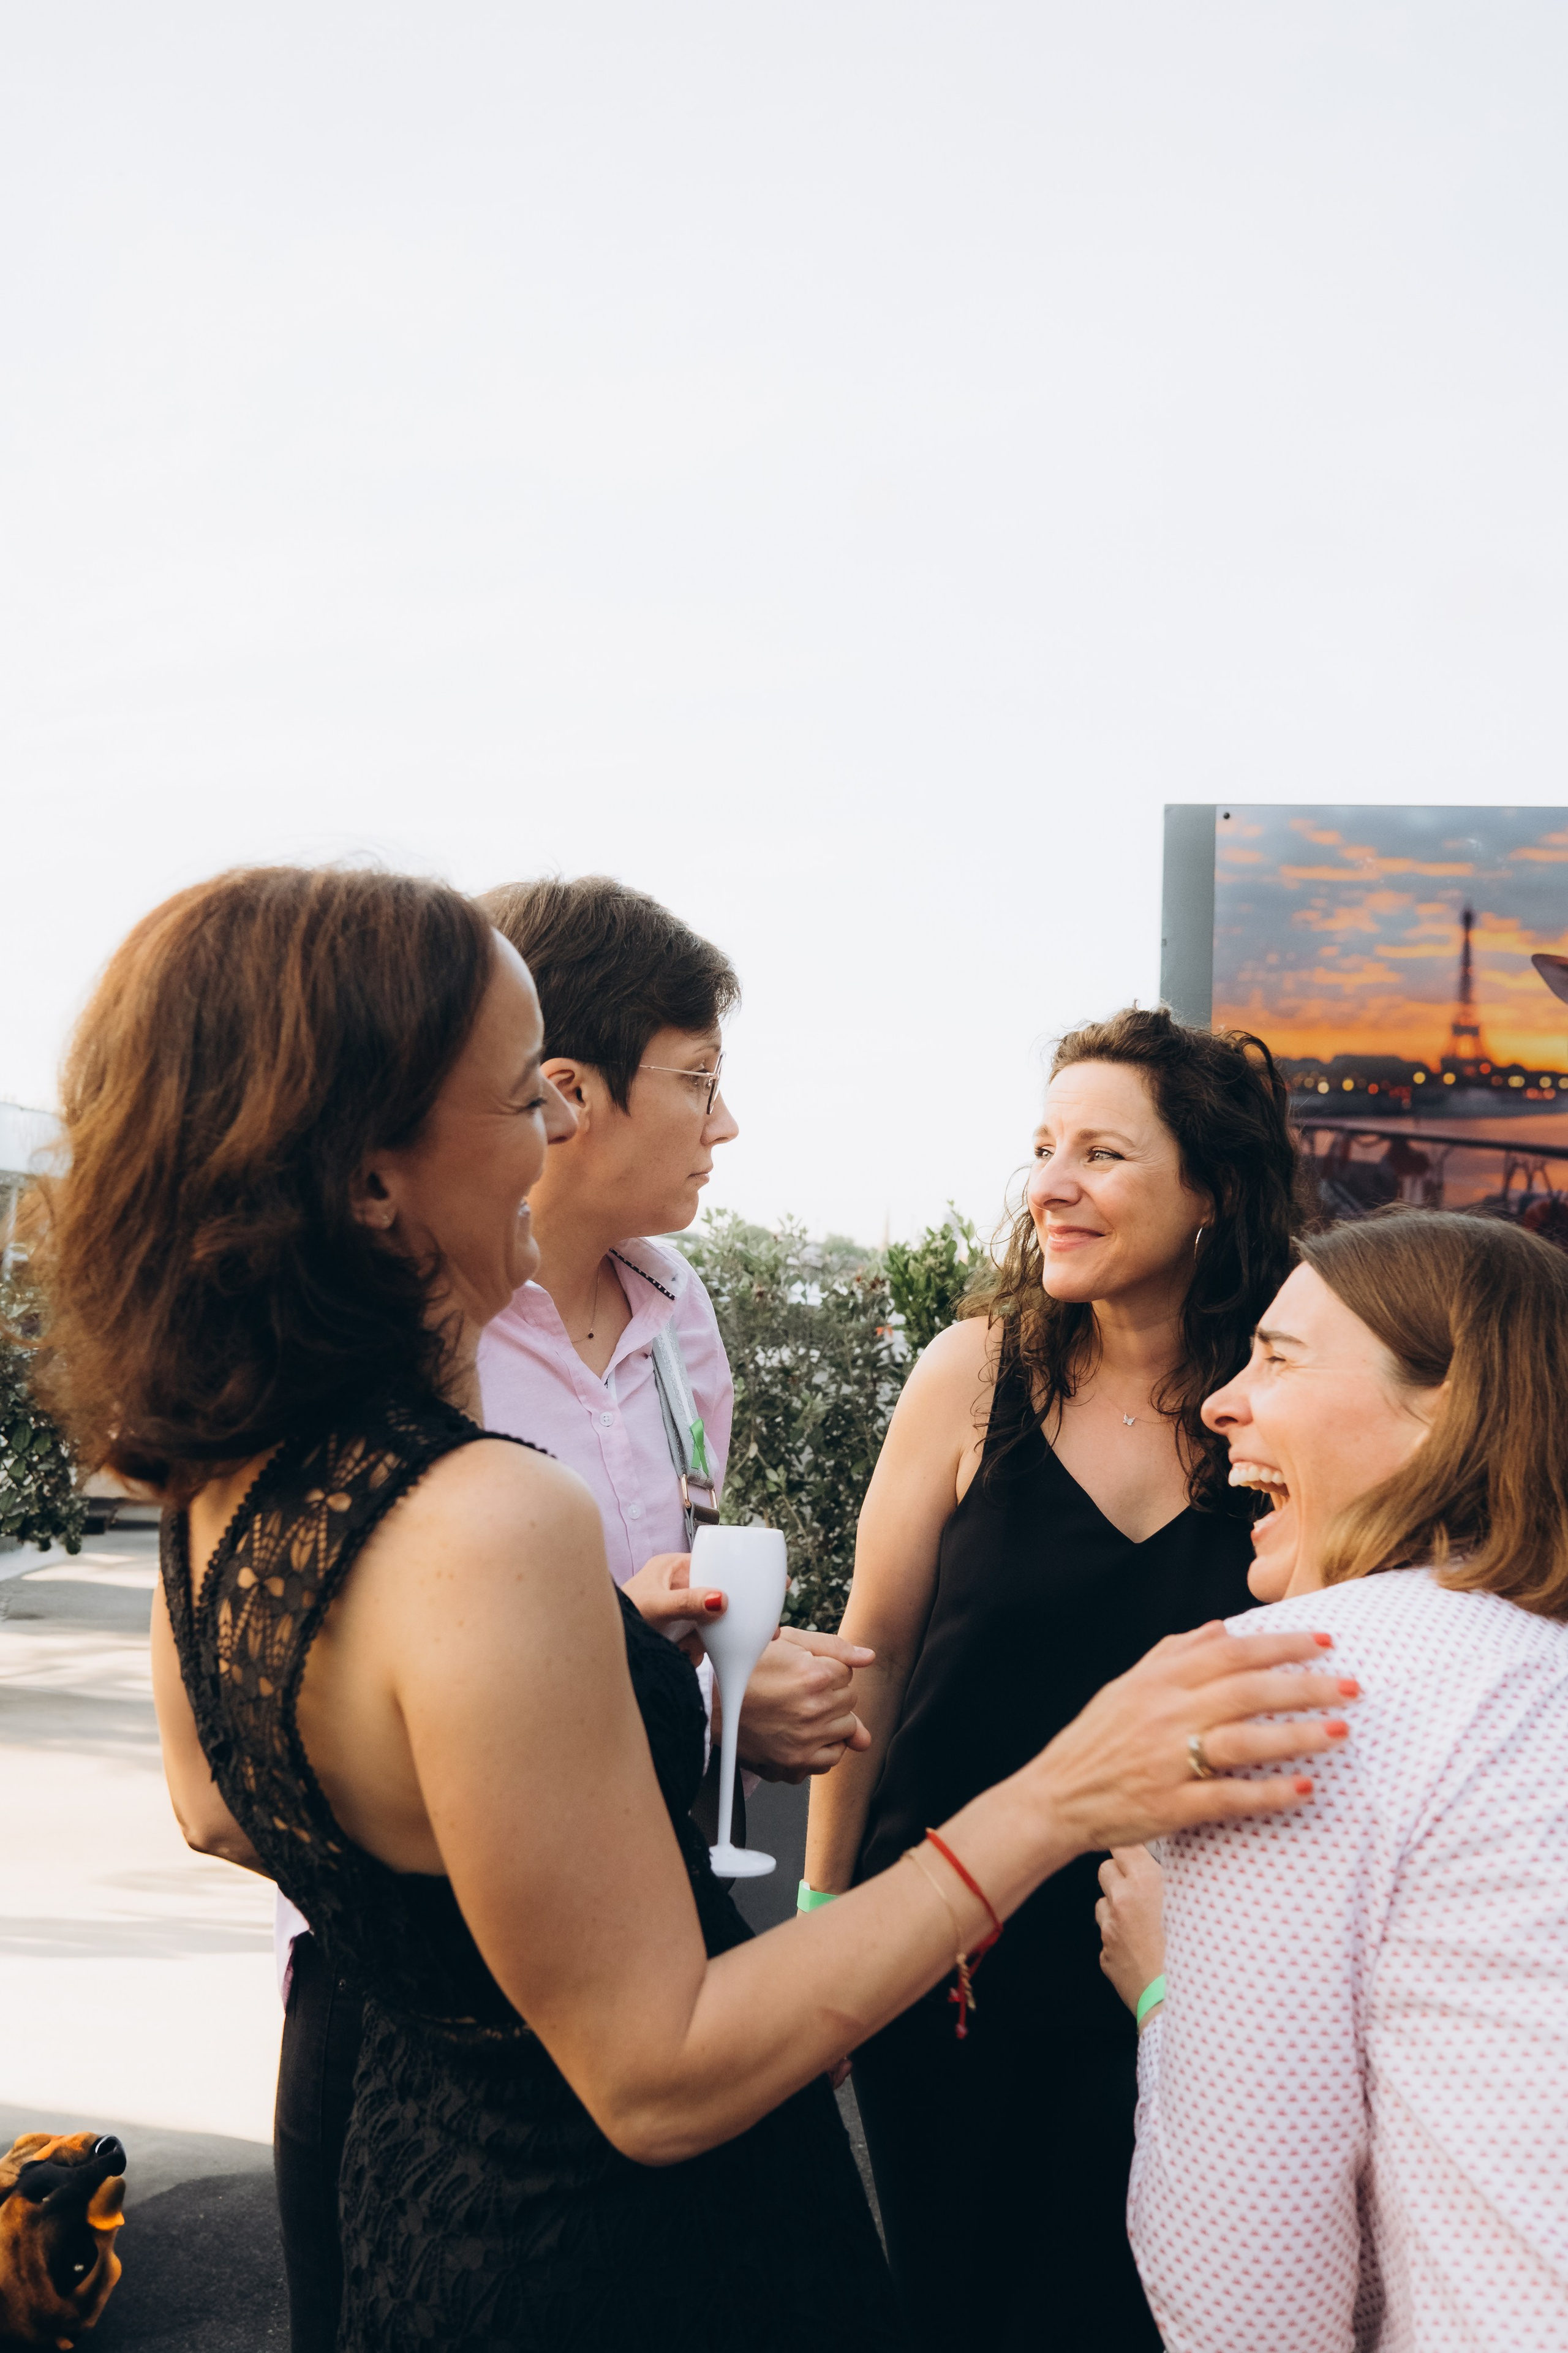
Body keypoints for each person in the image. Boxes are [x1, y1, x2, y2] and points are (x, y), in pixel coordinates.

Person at [35, 867, 1352, 2351]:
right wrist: (1063, 1787)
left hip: (415, 2205)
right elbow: (657, 2074)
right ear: (368, 1175)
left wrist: (596, 1691)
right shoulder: (489, 1516)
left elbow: (219, 1810)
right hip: (613, 2260)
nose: (553, 1137)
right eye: (519, 1099)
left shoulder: (220, 1478)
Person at [272, 874, 870, 2350]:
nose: (724, 1128)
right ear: (564, 1090)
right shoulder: (386, 1343)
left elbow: (667, 1603)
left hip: (659, 1905)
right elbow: (324, 1673)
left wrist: (726, 1683)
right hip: (422, 1993)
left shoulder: (684, 1318)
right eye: (700, 1083)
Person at [804, 1005, 1314, 2351]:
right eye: (1040, 1148)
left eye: (1100, 1151)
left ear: (1210, 1190)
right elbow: (876, 1649)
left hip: (1182, 1964)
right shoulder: (970, 1375)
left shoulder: (1285, 1409)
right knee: (955, 2301)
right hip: (947, 1951)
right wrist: (822, 1911)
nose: (1048, 1185)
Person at [1097, 1210, 1568, 2351]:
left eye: (1281, 1357)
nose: (1221, 1399)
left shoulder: (1292, 1692)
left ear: (1448, 1411)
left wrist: (1172, 1995)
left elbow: (1247, 2308)